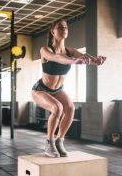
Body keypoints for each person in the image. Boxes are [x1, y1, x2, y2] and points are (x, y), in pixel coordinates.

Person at [31, 19, 106, 158]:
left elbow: (85, 57)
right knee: (57, 108)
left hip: (58, 90)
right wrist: (73, 61)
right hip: (41, 90)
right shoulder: (46, 50)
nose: (64, 29)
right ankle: (49, 142)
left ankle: (59, 141)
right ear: (52, 32)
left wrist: (97, 61)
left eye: (65, 27)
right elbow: (57, 58)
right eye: (60, 27)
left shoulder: (70, 51)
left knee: (70, 108)